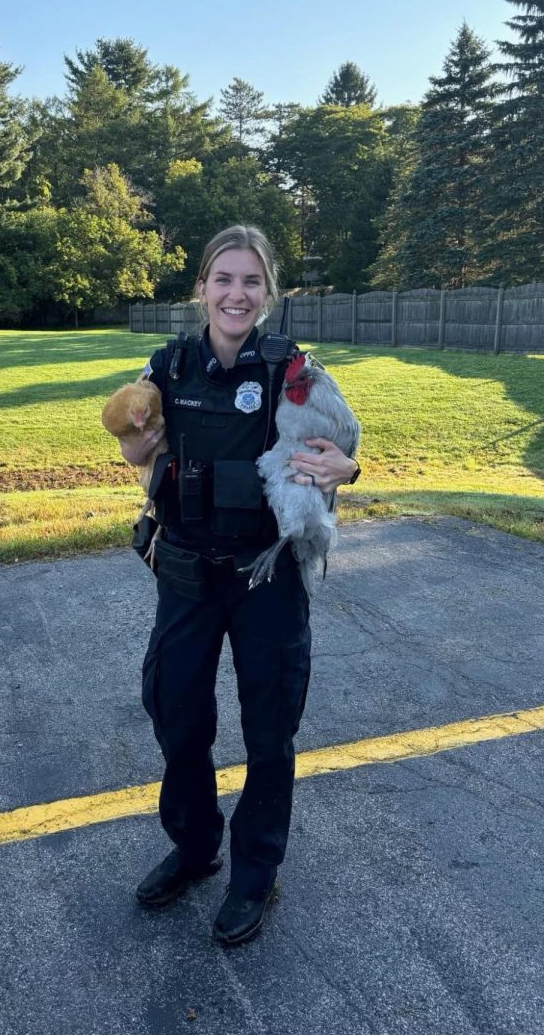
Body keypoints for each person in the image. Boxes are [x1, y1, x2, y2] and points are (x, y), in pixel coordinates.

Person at [116, 225, 359, 947]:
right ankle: (196, 851)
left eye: (251, 281)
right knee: (179, 720)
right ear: (202, 288)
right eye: (224, 279)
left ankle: (255, 874)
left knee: (269, 732)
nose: (236, 293)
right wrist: (134, 434)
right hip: (187, 575)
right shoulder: (170, 365)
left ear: (268, 293)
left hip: (266, 580)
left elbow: (340, 446)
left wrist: (349, 469)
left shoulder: (294, 369)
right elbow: (134, 448)